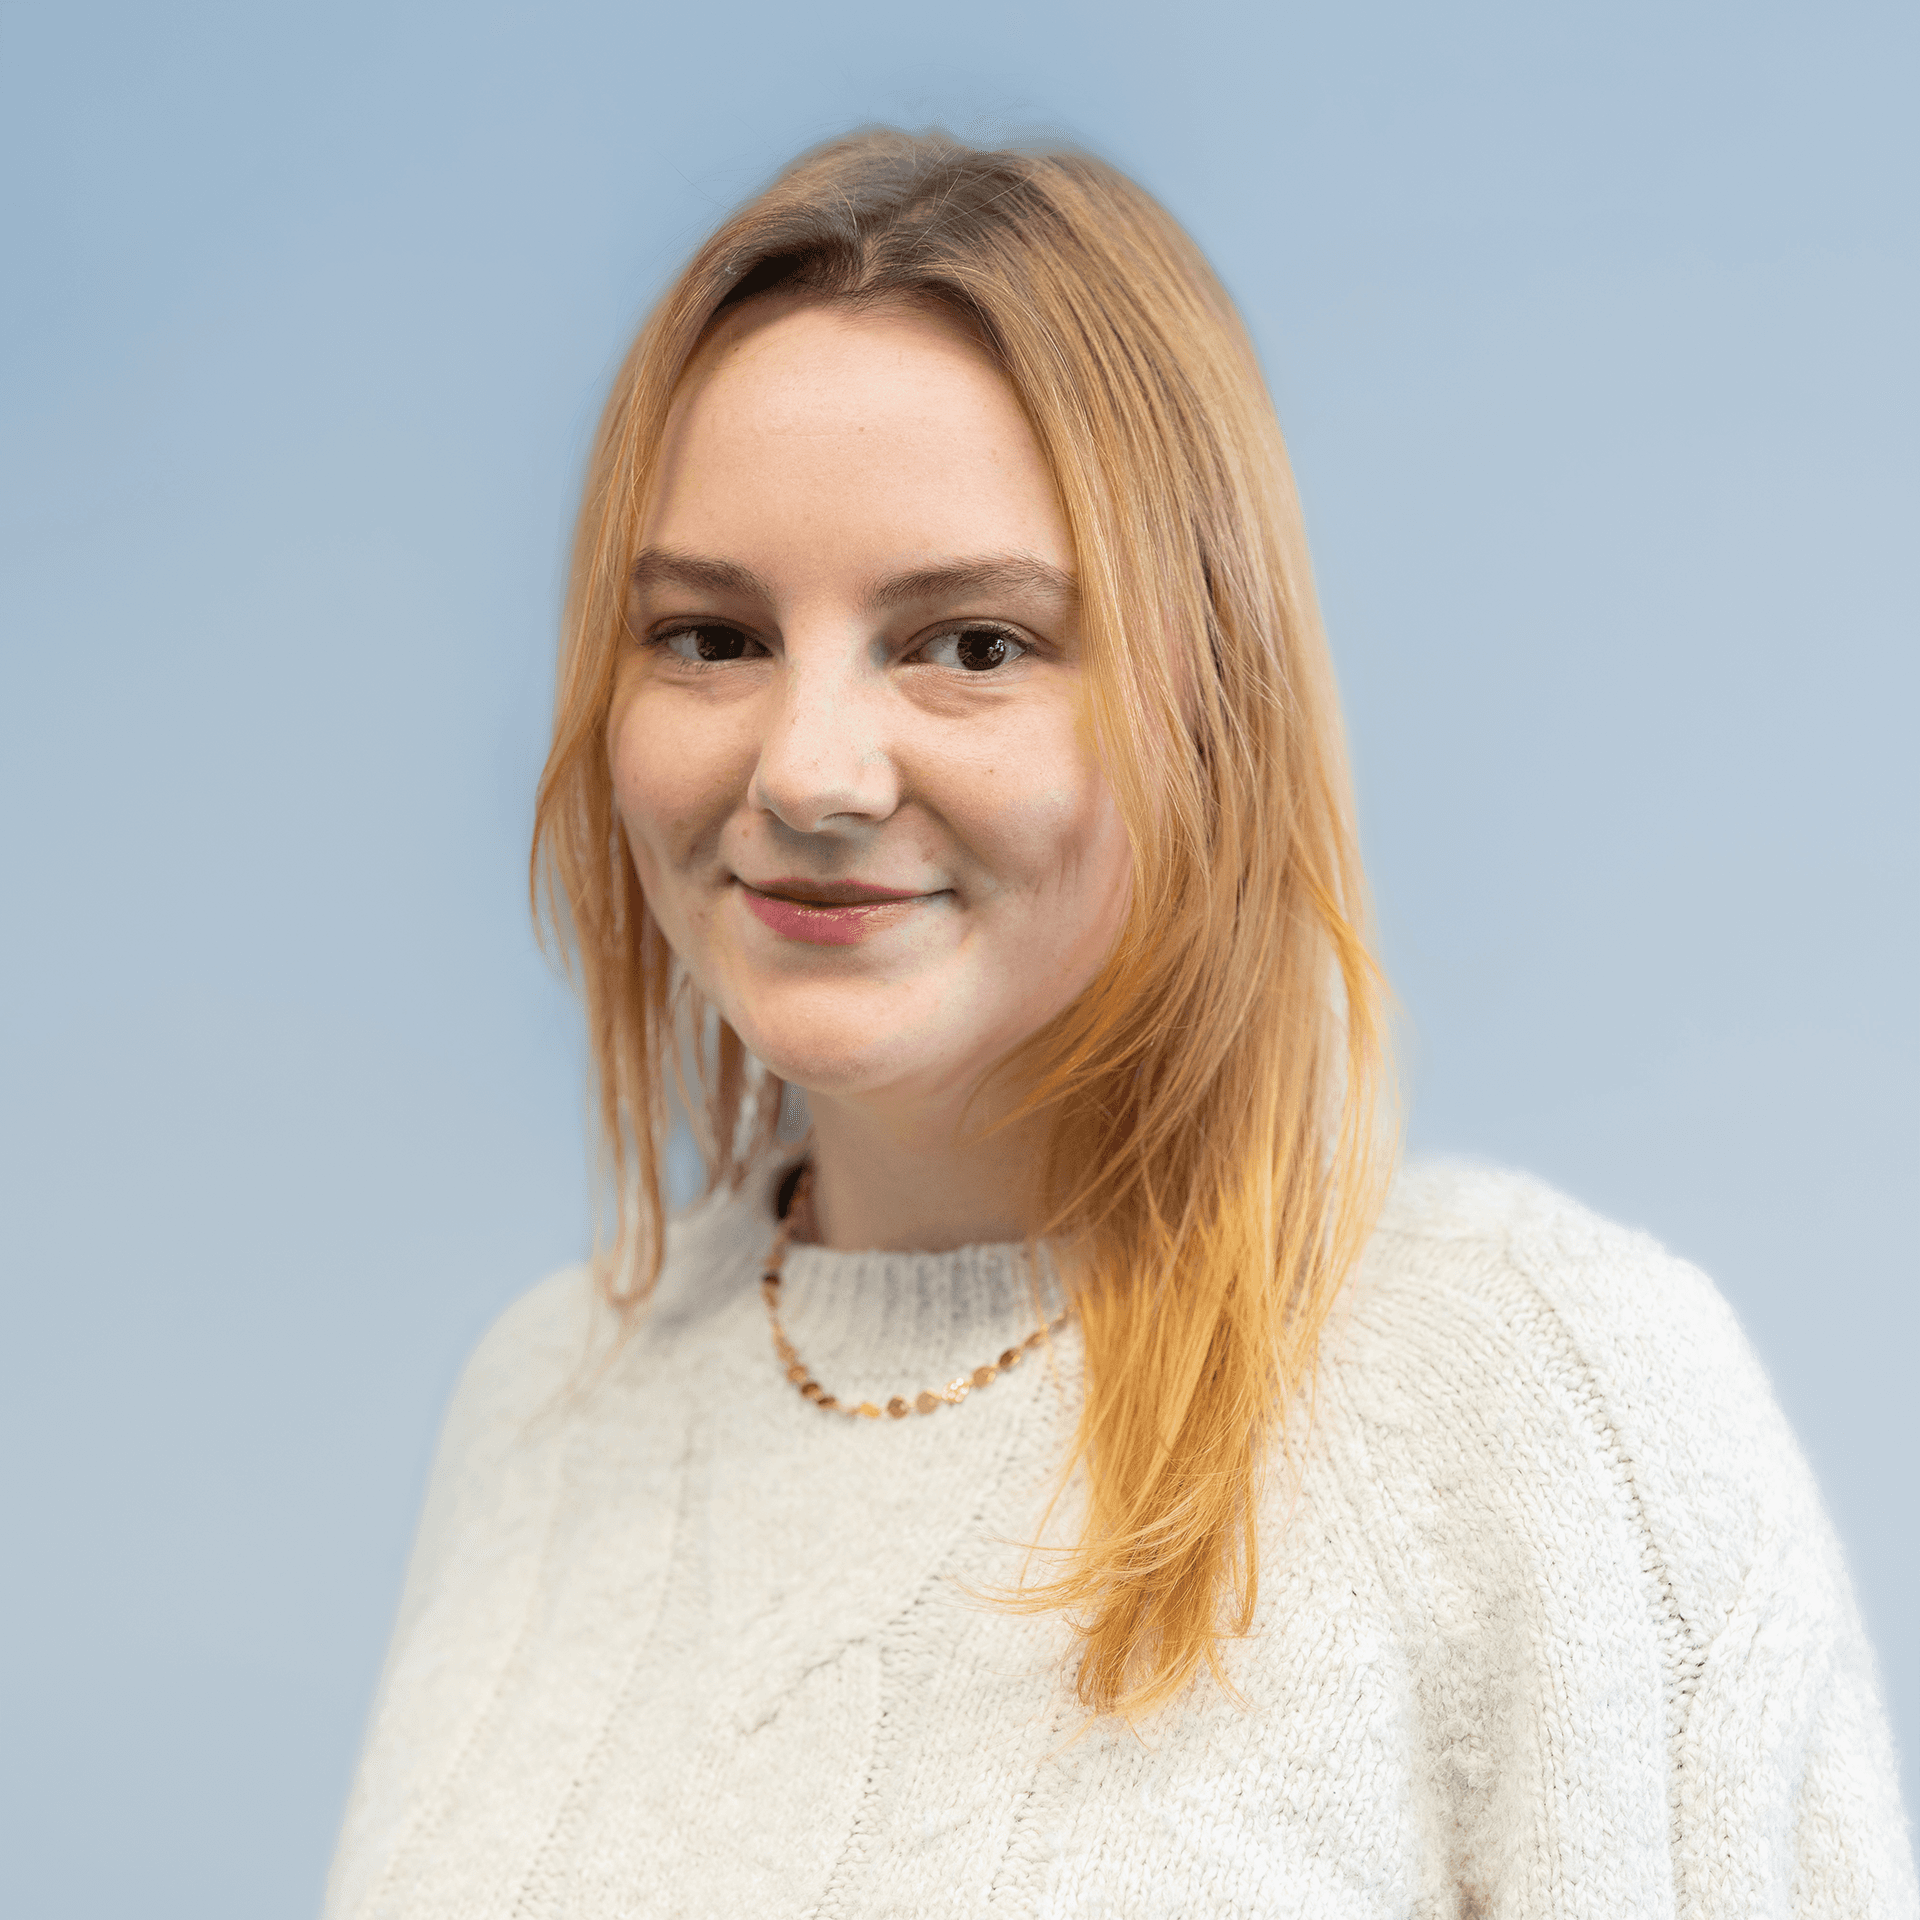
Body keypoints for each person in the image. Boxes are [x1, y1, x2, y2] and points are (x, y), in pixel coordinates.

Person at [323, 130, 1916, 1918]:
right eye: (709, 637)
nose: (808, 771)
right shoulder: (548, 1397)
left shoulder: (1540, 1392)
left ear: (1210, 699)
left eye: (975, 645)